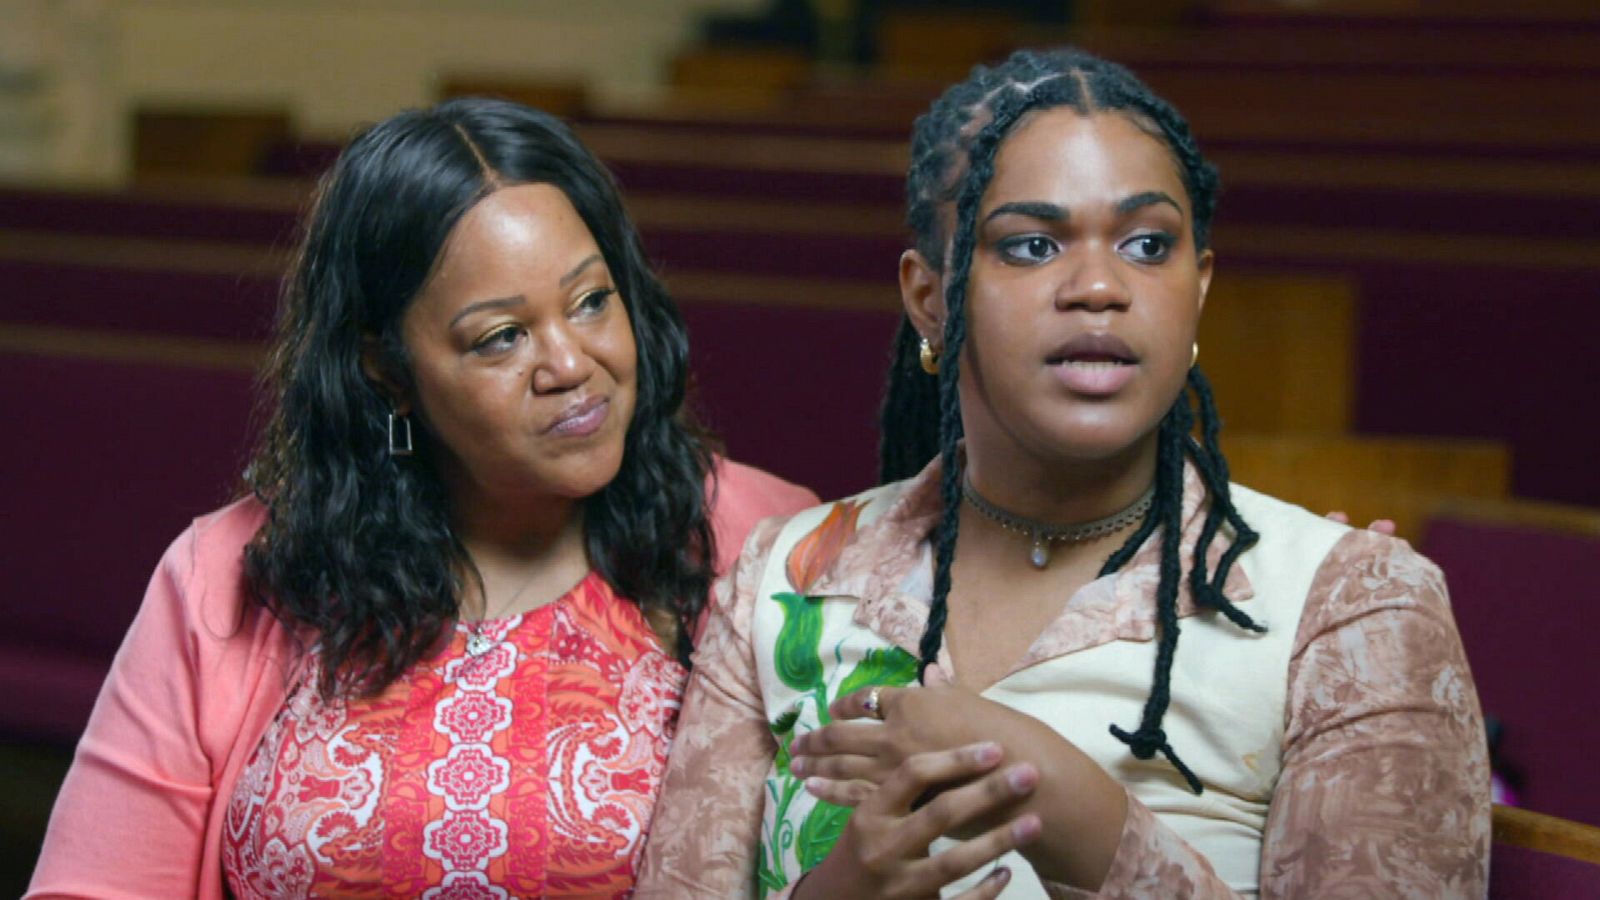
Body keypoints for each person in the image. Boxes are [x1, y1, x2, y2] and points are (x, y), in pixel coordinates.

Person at [637, 49, 1489, 898]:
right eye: (1032, 245)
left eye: (1149, 244)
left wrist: (1063, 798)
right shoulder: (782, 577)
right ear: (930, 296)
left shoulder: (1349, 609)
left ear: (1199, 285)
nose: (1098, 286)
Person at [28, 98, 816, 899]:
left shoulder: (769, 545)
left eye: (590, 302)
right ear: (389, 371)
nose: (570, 365)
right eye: (502, 337)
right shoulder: (234, 575)